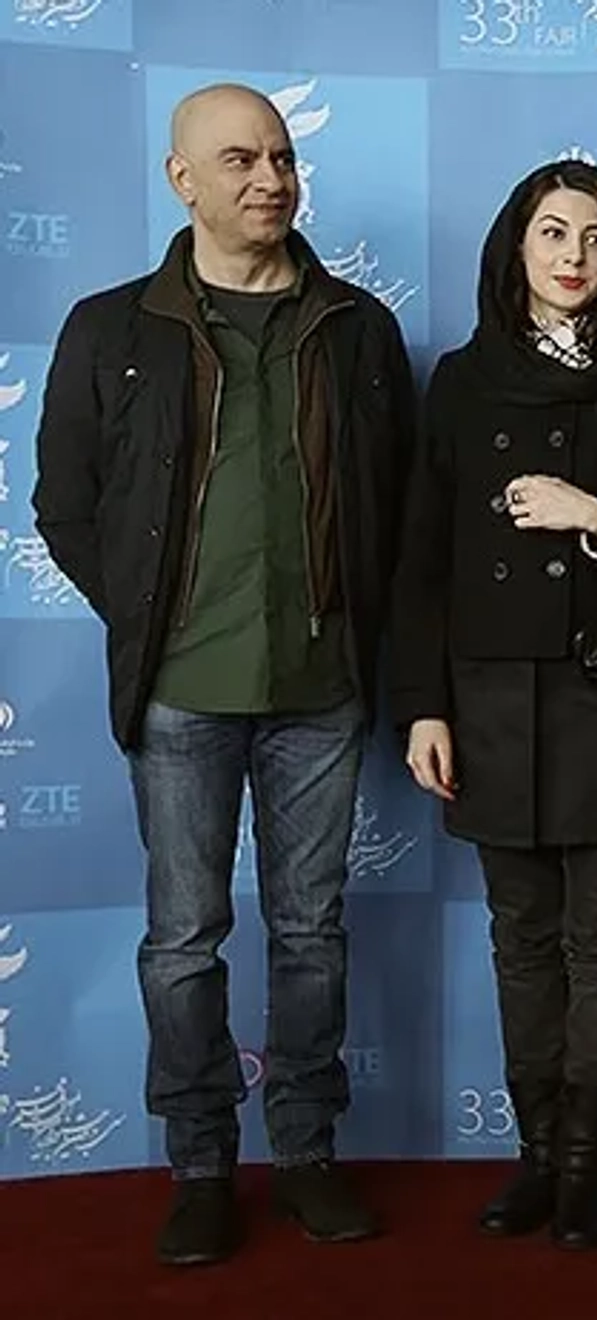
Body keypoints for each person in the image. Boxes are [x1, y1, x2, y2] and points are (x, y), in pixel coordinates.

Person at [30, 83, 414, 1265]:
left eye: (284, 157)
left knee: (311, 934)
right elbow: (65, 500)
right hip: (179, 693)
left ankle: (305, 1155)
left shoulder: (359, 329)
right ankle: (200, 1165)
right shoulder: (110, 328)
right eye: (239, 159)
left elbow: (397, 501)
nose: (270, 179)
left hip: (321, 690)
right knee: (183, 941)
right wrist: (153, 617)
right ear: (181, 179)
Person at [388, 159, 597, 1251]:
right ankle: (535, 1156)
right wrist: (422, 708)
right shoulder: (463, 381)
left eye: (595, 237)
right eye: (552, 234)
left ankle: (587, 1164)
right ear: (515, 250)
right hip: (487, 699)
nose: (573, 256)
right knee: (518, 939)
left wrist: (596, 511)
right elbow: (422, 561)